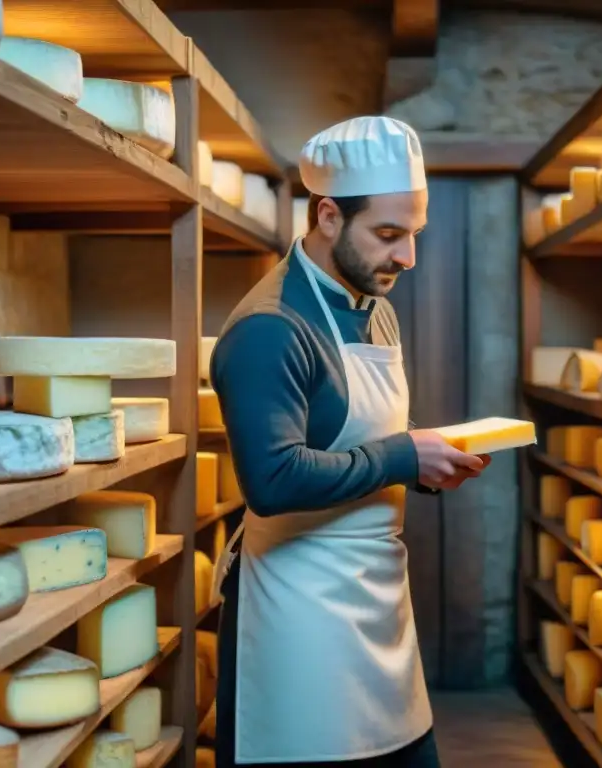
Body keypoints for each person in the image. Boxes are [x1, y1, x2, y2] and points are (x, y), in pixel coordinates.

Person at [209, 115, 490, 767]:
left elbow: (356, 441)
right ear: (329, 215)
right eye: (389, 235)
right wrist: (402, 455)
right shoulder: (270, 329)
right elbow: (273, 481)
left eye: (414, 234)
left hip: (377, 595)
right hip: (297, 611)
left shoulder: (375, 305)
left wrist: (424, 466)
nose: (407, 257)